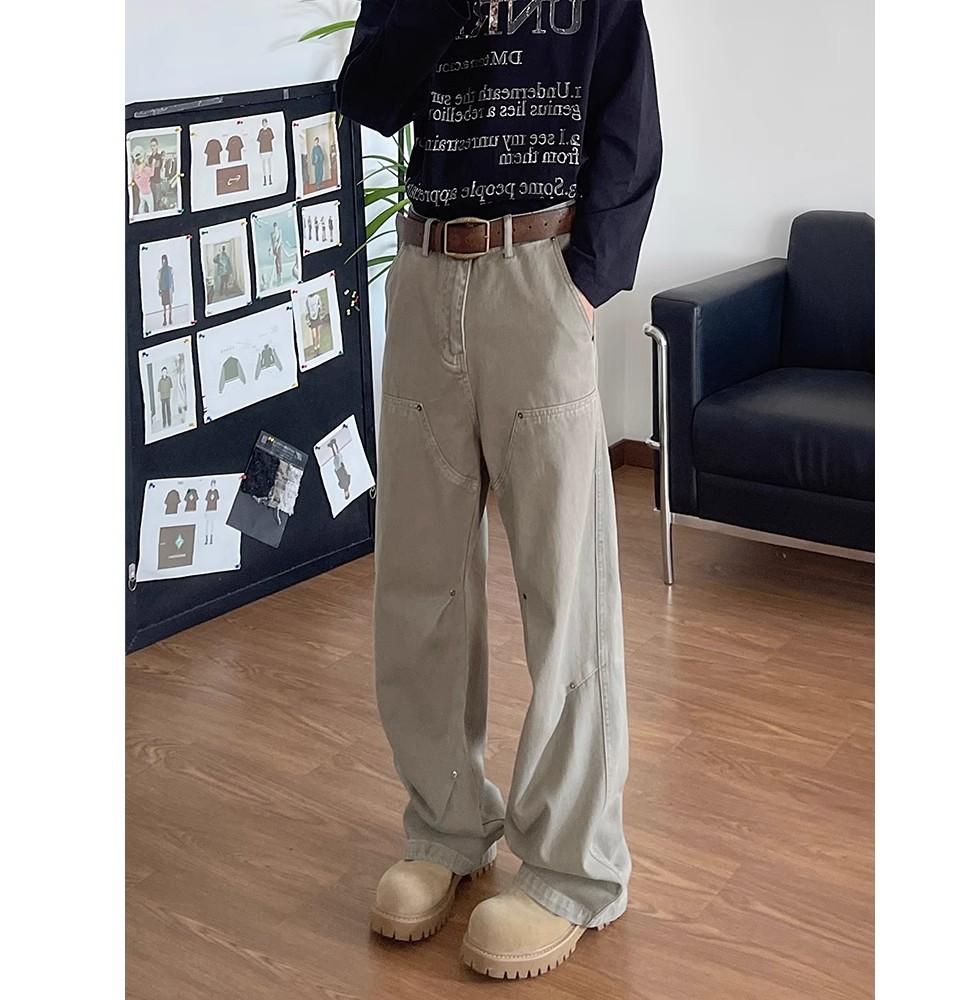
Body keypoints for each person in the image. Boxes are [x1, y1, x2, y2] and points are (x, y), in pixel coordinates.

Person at [336, 0, 662, 981]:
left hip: (539, 272)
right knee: (419, 583)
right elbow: (370, 93)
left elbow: (629, 122)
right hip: (426, 270)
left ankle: (573, 865)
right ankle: (443, 827)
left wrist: (582, 282)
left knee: (566, 589)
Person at [157, 254, 174, 327]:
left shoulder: (170, 269)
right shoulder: (160, 271)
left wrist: (173, 287)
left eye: (165, 260)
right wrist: (159, 289)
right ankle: (164, 320)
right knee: (164, 305)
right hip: (163, 289)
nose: (164, 262)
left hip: (169, 288)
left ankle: (170, 319)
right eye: (163, 260)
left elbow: (172, 279)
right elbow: (159, 280)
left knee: (170, 304)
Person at [257, 118, 275, 186]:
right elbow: (259, 140)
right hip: (262, 150)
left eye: (265, 123)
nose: (264, 124)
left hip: (269, 149)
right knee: (264, 165)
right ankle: (265, 179)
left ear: (267, 123)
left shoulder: (269, 130)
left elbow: (272, 138)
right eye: (263, 123)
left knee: (269, 164)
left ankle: (270, 178)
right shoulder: (261, 131)